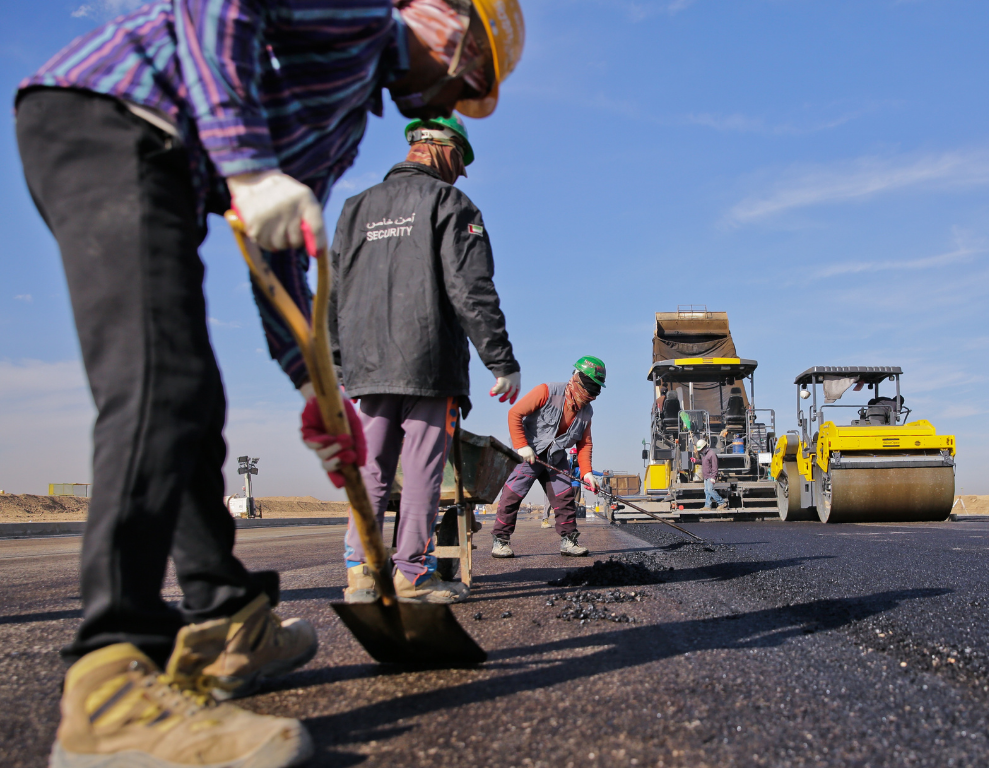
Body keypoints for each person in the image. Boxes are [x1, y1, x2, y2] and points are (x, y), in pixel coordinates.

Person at [15, 1, 524, 765]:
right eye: (471, 75)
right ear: (441, 20)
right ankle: (110, 696)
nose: (455, 101)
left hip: (168, 164)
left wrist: (313, 384)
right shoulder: (355, 12)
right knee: (161, 388)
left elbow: (279, 245)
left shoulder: (348, 117)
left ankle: (226, 621)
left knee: (192, 403)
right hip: (111, 119)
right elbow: (215, 7)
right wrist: (247, 166)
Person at [331, 116, 519, 605]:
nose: (461, 173)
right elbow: (471, 288)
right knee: (420, 472)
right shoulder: (450, 203)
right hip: (428, 362)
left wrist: (337, 360)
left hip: (366, 366)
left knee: (370, 468)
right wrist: (500, 359)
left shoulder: (355, 209)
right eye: (461, 161)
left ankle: (360, 574)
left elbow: (333, 291)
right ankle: (411, 575)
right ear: (442, 148)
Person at [492, 358, 606, 558]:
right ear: (576, 379)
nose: (590, 395)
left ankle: (569, 541)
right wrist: (521, 446)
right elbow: (515, 413)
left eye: (595, 391)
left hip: (555, 457)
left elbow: (584, 443)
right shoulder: (547, 391)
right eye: (589, 389)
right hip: (529, 453)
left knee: (565, 498)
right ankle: (500, 541)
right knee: (512, 495)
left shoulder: (587, 411)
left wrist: (587, 473)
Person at [697, 439, 727, 509]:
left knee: (710, 490)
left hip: (710, 475)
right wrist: (696, 461)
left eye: (701, 449)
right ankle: (707, 506)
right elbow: (703, 462)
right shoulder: (705, 455)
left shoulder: (712, 454)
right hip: (706, 476)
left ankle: (722, 503)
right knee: (706, 491)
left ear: (704, 447)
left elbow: (715, 466)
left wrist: (714, 477)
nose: (700, 451)